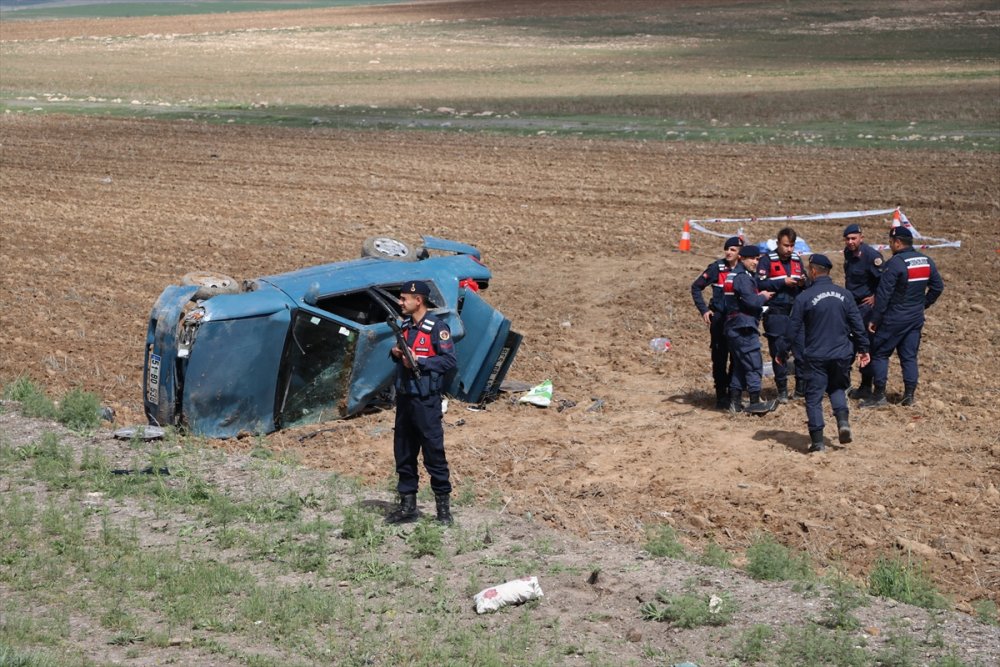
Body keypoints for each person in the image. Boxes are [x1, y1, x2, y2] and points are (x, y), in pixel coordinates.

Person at [385, 280, 457, 525]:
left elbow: (449, 362)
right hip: (405, 399)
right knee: (404, 452)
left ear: (419, 301)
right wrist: (397, 353)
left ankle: (443, 511)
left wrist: (422, 363)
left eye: (404, 298)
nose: (400, 302)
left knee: (433, 454)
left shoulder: (437, 328)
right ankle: (407, 507)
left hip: (426, 402)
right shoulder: (405, 326)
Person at [783, 254, 870, 453]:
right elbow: (857, 325)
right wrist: (864, 349)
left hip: (816, 355)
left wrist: (782, 351)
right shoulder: (845, 295)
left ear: (813, 271)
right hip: (841, 354)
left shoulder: (804, 297)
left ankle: (818, 442)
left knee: (813, 397)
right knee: (837, 388)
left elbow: (792, 328)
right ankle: (843, 423)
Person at [860, 226, 944, 408]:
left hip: (894, 318)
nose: (890, 245)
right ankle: (909, 396)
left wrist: (875, 319)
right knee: (909, 356)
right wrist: (923, 304)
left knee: (880, 353)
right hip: (915, 318)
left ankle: (879, 395)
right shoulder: (926, 261)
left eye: (891, 242)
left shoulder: (895, 263)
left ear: (897, 242)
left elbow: (883, 296)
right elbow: (937, 287)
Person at [691, 236, 743, 409]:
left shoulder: (745, 270)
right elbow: (696, 287)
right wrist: (704, 310)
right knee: (720, 358)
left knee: (737, 358)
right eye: (727, 249)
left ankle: (734, 393)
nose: (728, 252)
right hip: (720, 320)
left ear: (740, 253)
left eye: (733, 250)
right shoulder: (717, 268)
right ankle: (721, 395)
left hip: (738, 320)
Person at [757, 227, 809, 402]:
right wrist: (782, 282)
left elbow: (806, 281)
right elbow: (758, 282)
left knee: (801, 353)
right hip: (776, 313)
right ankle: (782, 391)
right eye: (786, 245)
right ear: (778, 243)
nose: (789, 249)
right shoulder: (766, 260)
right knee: (779, 353)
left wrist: (802, 282)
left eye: (792, 246)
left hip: (796, 313)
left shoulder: (796, 260)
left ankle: (801, 390)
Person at [723, 245, 776, 414]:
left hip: (736, 327)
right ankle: (754, 402)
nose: (756, 262)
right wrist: (763, 297)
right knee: (754, 364)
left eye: (758, 259)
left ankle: (735, 402)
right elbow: (752, 302)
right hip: (743, 327)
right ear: (742, 259)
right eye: (752, 259)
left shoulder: (737, 275)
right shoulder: (743, 278)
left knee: (740, 366)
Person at [842, 223, 884, 399]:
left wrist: (875, 296)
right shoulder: (848, 253)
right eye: (848, 239)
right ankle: (843, 383)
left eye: (854, 238)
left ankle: (866, 385)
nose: (850, 242)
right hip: (852, 304)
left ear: (861, 238)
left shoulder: (872, 256)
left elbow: (885, 281)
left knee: (864, 343)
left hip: (866, 307)